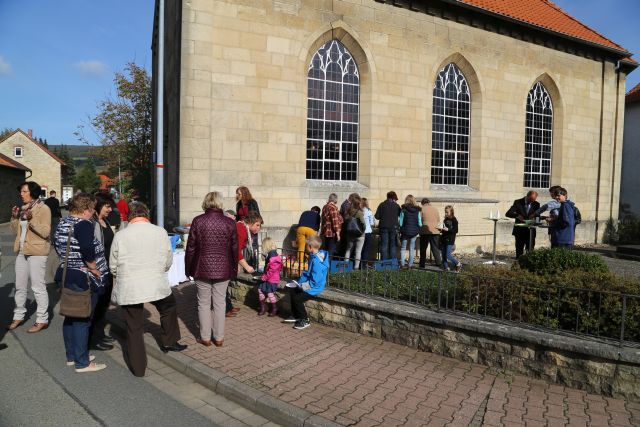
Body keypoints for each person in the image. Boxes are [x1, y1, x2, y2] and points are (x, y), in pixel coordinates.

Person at [110, 202, 187, 376]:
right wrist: (161, 270)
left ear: (130, 216)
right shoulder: (160, 232)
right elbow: (168, 259)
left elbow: (113, 266)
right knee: (168, 307)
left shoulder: (121, 236)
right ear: (146, 215)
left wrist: (122, 274)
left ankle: (138, 368)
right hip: (155, 282)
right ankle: (170, 341)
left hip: (130, 285)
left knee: (134, 327)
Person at [55, 193, 109, 372]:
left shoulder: (64, 222)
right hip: (83, 277)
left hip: (67, 273)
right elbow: (87, 248)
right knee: (83, 319)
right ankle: (82, 362)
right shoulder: (83, 224)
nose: (93, 213)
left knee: (71, 316)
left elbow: (59, 245)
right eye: (92, 209)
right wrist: (93, 267)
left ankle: (73, 355)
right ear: (85, 209)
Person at [185, 192, 238, 347]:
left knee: (203, 303)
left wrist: (188, 269)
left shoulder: (198, 221)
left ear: (206, 203)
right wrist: (234, 269)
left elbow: (191, 249)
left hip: (201, 268)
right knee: (220, 303)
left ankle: (205, 337)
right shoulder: (229, 223)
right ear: (220, 203)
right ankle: (219, 338)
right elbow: (234, 249)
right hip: (223, 268)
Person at [7, 181, 51, 333]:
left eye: (24, 191)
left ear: (33, 193)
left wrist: (30, 220)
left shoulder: (43, 209)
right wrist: (14, 218)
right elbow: (16, 232)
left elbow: (45, 232)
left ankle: (42, 319)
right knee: (19, 286)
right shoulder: (24, 208)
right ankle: (18, 315)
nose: (21, 194)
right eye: (21, 191)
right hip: (21, 251)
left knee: (38, 287)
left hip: (37, 252)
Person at [284, 235, 329, 330]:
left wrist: (303, 286)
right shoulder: (313, 256)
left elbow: (315, 281)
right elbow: (308, 274)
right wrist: (299, 283)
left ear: (310, 247)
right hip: (309, 284)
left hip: (315, 288)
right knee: (293, 291)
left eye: (305, 246)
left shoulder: (317, 262)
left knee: (297, 299)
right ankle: (295, 315)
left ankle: (305, 319)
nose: (304, 247)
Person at [90, 193, 116, 351]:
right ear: (99, 206)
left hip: (107, 270)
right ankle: (93, 338)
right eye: (107, 206)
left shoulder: (104, 221)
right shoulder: (92, 223)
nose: (110, 209)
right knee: (96, 304)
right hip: (98, 270)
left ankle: (99, 333)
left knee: (104, 303)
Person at [506, 191, 540, 258]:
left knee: (530, 250)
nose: (531, 202)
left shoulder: (536, 204)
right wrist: (517, 215)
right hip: (519, 230)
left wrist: (537, 222)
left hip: (530, 231)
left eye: (533, 200)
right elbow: (508, 213)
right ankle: (518, 265)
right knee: (519, 250)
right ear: (527, 196)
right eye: (530, 200)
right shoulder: (518, 202)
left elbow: (538, 215)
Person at [257, 237, 283, 316]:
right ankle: (263, 307)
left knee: (270, 293)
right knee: (260, 290)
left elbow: (272, 270)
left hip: (272, 279)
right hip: (268, 277)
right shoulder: (270, 254)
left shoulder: (273, 256)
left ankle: (275, 308)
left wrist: (265, 277)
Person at [375, 191, 401, 261]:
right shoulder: (396, 206)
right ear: (394, 198)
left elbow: (377, 216)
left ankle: (384, 263)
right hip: (394, 227)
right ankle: (392, 263)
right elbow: (401, 216)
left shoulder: (382, 205)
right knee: (393, 246)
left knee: (384, 245)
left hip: (383, 227)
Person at [418, 198, 442, 268]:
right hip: (435, 231)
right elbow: (438, 220)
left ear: (422, 203)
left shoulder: (421, 209)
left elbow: (420, 220)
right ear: (429, 202)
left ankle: (422, 264)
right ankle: (439, 263)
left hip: (425, 231)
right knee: (435, 248)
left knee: (423, 248)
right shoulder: (435, 209)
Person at [343, 195, 366, 269]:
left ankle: (345, 266)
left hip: (350, 234)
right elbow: (363, 223)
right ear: (358, 204)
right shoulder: (360, 212)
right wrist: (363, 230)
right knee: (358, 251)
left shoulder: (348, 212)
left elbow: (345, 222)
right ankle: (356, 268)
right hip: (360, 235)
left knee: (348, 250)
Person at [399, 195, 422, 268]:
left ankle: (402, 264)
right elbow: (420, 223)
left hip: (405, 231)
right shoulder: (417, 211)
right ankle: (410, 265)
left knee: (403, 248)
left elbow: (400, 223)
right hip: (414, 232)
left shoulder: (403, 210)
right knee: (412, 248)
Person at [439, 205, 461, 273]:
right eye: (445, 212)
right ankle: (446, 268)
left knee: (448, 255)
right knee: (443, 255)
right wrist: (441, 229)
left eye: (447, 212)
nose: (445, 214)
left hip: (450, 239)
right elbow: (444, 229)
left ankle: (458, 263)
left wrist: (448, 229)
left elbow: (456, 230)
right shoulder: (445, 219)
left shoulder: (454, 220)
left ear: (451, 212)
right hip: (444, 239)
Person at [321, 193, 343, 257]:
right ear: (335, 200)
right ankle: (328, 265)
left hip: (325, 232)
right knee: (330, 251)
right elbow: (335, 221)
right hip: (331, 233)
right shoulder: (333, 208)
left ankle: (324, 265)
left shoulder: (325, 207)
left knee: (326, 249)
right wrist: (338, 233)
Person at [360, 198, 376, 268]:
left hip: (360, 232)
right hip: (368, 232)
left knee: (360, 249)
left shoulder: (359, 210)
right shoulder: (369, 211)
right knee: (366, 249)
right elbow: (372, 223)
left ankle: (358, 264)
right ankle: (363, 265)